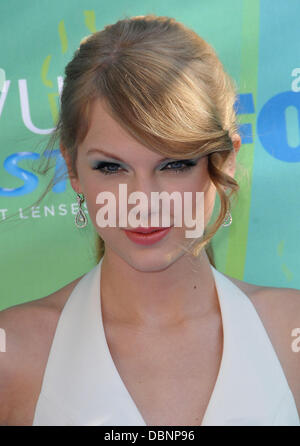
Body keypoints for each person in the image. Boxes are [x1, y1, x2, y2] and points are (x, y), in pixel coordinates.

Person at [0, 14, 299, 426]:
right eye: (111, 167)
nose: (142, 202)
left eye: (174, 164)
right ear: (72, 170)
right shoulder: (11, 353)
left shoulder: (291, 334)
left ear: (225, 159)